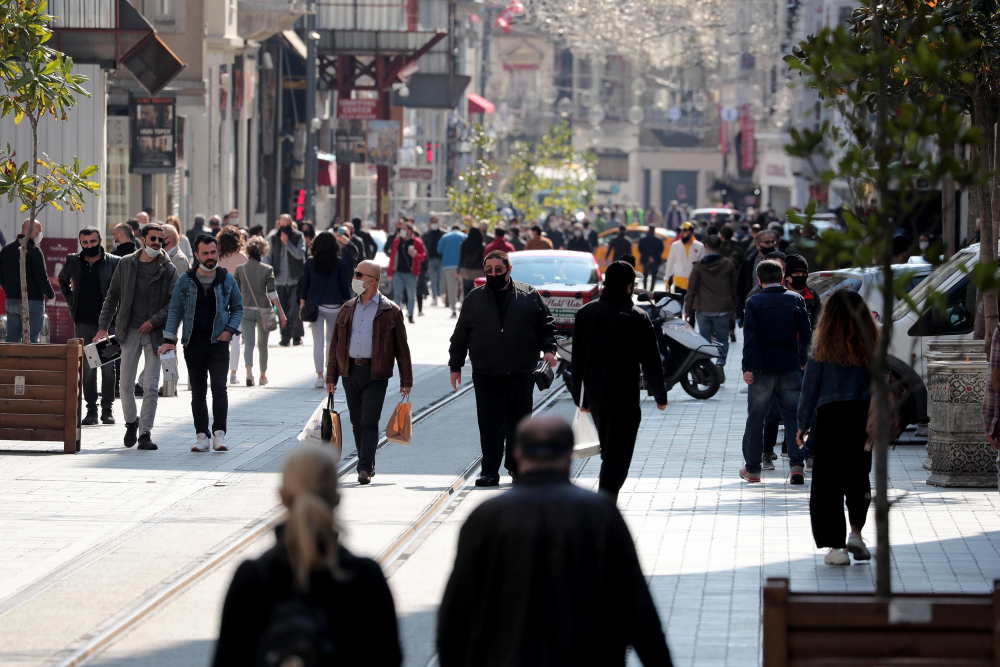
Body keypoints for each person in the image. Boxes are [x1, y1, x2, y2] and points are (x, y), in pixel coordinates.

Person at [437, 415, 672, 666]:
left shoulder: (486, 518)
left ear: (518, 457)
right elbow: (636, 606)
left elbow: (457, 613)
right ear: (570, 457)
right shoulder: (600, 514)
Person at [212, 443, 402, 667]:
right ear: (337, 499)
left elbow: (227, 659)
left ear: (282, 497)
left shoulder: (252, 578)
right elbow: (390, 658)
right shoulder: (365, 577)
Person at [448, 250, 557, 486]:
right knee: (490, 425)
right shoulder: (474, 299)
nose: (494, 274)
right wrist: (455, 365)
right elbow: (460, 336)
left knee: (519, 424)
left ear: (509, 269)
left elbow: (546, 325)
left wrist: (549, 349)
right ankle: (489, 471)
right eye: (489, 271)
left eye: (499, 270)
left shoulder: (529, 295)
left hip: (521, 372)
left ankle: (517, 468)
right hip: (487, 373)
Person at [572, 262, 668, 500]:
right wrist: (660, 395)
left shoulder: (585, 313)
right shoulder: (637, 316)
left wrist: (580, 398)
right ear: (628, 286)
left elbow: (577, 362)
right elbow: (651, 361)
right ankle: (605, 502)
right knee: (619, 455)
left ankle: (606, 500)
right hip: (625, 397)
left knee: (609, 451)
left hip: (596, 397)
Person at [796, 289, 875, 565]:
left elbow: (810, 387)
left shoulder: (822, 345)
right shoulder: (872, 342)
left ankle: (837, 549)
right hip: (863, 417)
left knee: (827, 482)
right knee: (858, 476)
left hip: (830, 416)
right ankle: (856, 532)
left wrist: (802, 423)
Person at [325, 260, 413, 485]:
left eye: (358, 274)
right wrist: (331, 377)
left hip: (376, 373)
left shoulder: (390, 310)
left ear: (372, 280)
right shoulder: (346, 309)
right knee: (356, 420)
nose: (354, 278)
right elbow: (335, 345)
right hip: (350, 371)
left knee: (369, 421)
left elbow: (402, 348)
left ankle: (363, 467)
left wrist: (406, 379)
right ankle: (368, 462)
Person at [96, 223, 178, 451]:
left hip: (155, 334)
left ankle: (145, 433)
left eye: (160, 240)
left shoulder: (168, 268)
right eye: (153, 239)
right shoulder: (126, 264)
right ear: (143, 239)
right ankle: (131, 423)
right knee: (124, 385)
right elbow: (112, 297)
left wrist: (153, 322)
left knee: (151, 386)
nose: (156, 244)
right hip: (129, 331)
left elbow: (175, 305)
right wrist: (103, 327)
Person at [160, 234, 243, 453]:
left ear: (218, 252)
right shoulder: (185, 280)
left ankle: (219, 434)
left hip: (218, 344)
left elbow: (237, 308)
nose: (210, 257)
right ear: (196, 255)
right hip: (193, 344)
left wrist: (229, 330)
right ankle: (201, 435)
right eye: (205, 253)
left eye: (213, 252)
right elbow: (175, 310)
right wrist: (169, 339)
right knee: (198, 392)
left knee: (219, 388)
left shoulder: (227, 279)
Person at [740, 259, 812, 484]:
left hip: (763, 369)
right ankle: (797, 465)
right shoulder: (796, 299)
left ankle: (753, 469)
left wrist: (747, 368)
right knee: (794, 418)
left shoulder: (754, 302)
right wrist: (801, 359)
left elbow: (750, 339)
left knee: (756, 419)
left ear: (759, 279)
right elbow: (807, 334)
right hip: (790, 367)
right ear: (782, 277)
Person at [58, 226, 121, 424]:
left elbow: (122, 289)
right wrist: (71, 301)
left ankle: (107, 409)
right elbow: (62, 280)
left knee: (108, 368)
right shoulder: (73, 261)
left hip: (109, 324)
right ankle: (91, 410)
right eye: (85, 243)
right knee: (88, 369)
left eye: (93, 242)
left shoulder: (113, 262)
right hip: (84, 322)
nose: (89, 246)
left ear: (100, 240)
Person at [300, 231, 352, 389]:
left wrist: (302, 305)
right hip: (335, 306)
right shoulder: (340, 262)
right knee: (332, 341)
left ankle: (320, 377)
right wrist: (349, 304)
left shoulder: (310, 262)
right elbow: (344, 285)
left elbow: (304, 285)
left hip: (316, 306)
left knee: (318, 342)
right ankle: (331, 373)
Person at [235, 236, 287, 387]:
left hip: (245, 309)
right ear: (263, 251)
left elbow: (235, 292)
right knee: (263, 345)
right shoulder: (267, 269)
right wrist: (281, 314)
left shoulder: (240, 269)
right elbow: (272, 293)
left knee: (249, 343)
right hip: (263, 309)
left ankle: (249, 373)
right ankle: (263, 376)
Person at [685, 235, 737, 377]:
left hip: (703, 309)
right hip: (723, 309)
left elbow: (692, 289)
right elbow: (734, 288)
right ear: (719, 246)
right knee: (722, 340)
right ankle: (720, 363)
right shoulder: (728, 264)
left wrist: (687, 310)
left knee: (705, 340)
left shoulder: (698, 266)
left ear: (706, 246)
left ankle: (708, 368)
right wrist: (735, 308)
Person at [0, 218, 54, 343]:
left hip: (12, 301)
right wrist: (51, 295)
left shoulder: (6, 250)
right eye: (39, 231)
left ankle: (11, 362)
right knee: (31, 341)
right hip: (33, 303)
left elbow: (1, 275)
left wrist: (9, 291)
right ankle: (28, 363)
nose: (40, 234)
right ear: (33, 231)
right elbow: (42, 278)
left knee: (12, 340)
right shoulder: (35, 251)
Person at [268, 214, 307, 346]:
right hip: (279, 279)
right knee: (282, 310)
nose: (284, 228)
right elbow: (268, 256)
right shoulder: (273, 238)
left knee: (295, 310)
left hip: (295, 279)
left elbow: (300, 254)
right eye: (282, 225)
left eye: (287, 225)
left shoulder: (298, 236)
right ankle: (285, 336)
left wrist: (287, 243)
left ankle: (297, 336)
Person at [218, 226, 248, 385]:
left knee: (219, 336)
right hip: (238, 300)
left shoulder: (218, 257)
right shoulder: (242, 257)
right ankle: (233, 373)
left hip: (220, 299)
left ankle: (220, 370)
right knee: (235, 337)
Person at [387, 221, 427, 324]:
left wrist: (415, 255)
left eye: (404, 229)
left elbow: (423, 256)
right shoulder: (397, 241)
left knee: (411, 295)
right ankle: (396, 316)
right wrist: (390, 272)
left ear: (410, 231)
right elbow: (392, 257)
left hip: (411, 273)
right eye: (401, 228)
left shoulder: (417, 242)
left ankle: (410, 315)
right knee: (397, 295)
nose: (402, 231)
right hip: (398, 272)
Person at [736, 228, 779, 324]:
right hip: (755, 309)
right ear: (758, 245)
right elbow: (741, 288)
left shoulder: (782, 260)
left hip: (777, 308)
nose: (771, 245)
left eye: (773, 242)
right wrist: (739, 313)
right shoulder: (749, 262)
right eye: (767, 242)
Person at [663, 221, 706, 296]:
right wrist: (667, 282)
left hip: (693, 283)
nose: (682, 233)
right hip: (678, 282)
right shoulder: (675, 245)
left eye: (685, 231)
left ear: (691, 233)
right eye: (681, 231)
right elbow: (670, 263)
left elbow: (703, 266)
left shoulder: (699, 246)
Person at [438, 224, 466, 317]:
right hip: (462, 266)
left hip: (448, 265)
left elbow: (439, 250)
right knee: (463, 286)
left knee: (451, 287)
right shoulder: (464, 236)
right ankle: (462, 303)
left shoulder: (445, 237)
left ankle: (453, 308)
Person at [458, 225, 485, 302]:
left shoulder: (464, 244)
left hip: (466, 270)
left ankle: (467, 307)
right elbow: (481, 259)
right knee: (478, 291)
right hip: (478, 271)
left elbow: (461, 257)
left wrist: (458, 270)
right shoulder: (481, 246)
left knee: (466, 290)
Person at [422, 216, 445, 306]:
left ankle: (442, 295)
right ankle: (434, 298)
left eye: (435, 222)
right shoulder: (427, 234)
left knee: (441, 279)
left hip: (441, 259)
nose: (434, 223)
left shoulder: (443, 233)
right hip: (430, 259)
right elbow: (424, 247)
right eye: (432, 222)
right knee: (432, 279)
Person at [637, 226, 665, 290]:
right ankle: (651, 289)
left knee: (645, 275)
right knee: (654, 275)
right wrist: (653, 257)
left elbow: (640, 249)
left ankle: (645, 289)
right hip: (655, 260)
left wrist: (648, 257)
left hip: (646, 259)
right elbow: (661, 250)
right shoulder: (658, 240)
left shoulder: (643, 239)